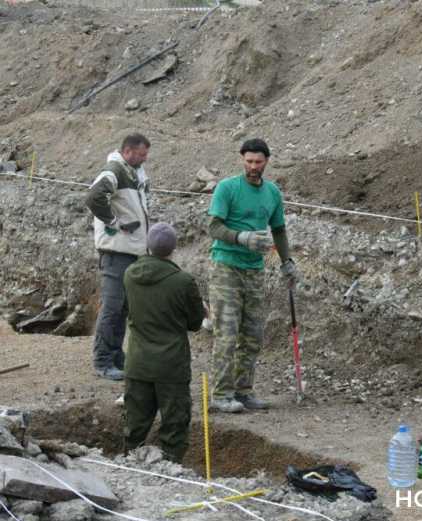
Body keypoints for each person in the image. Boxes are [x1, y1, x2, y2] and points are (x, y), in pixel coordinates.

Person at [206, 138, 300, 413]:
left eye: (258, 162)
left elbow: (279, 230)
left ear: (266, 162)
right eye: (248, 161)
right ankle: (221, 394)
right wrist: (241, 237)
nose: (253, 167)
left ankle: (243, 390)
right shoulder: (227, 188)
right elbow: (214, 227)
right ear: (241, 160)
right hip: (226, 266)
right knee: (227, 331)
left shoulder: (272, 193)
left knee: (253, 333)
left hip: (254, 270)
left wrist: (287, 262)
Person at [123, 222, 205, 463]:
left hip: (137, 363)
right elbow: (194, 323)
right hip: (171, 366)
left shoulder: (129, 274)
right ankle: (171, 470)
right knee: (174, 425)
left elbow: (128, 309)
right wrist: (202, 310)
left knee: (134, 425)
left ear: (148, 245)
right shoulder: (183, 281)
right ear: (174, 247)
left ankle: (129, 466)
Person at [84, 133, 151, 381]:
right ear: (128, 151)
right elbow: (93, 196)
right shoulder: (115, 170)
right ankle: (102, 360)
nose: (144, 159)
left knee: (122, 308)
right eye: (141, 155)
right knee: (112, 307)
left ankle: (115, 356)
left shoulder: (134, 173)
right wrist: (113, 222)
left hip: (130, 250)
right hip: (116, 251)